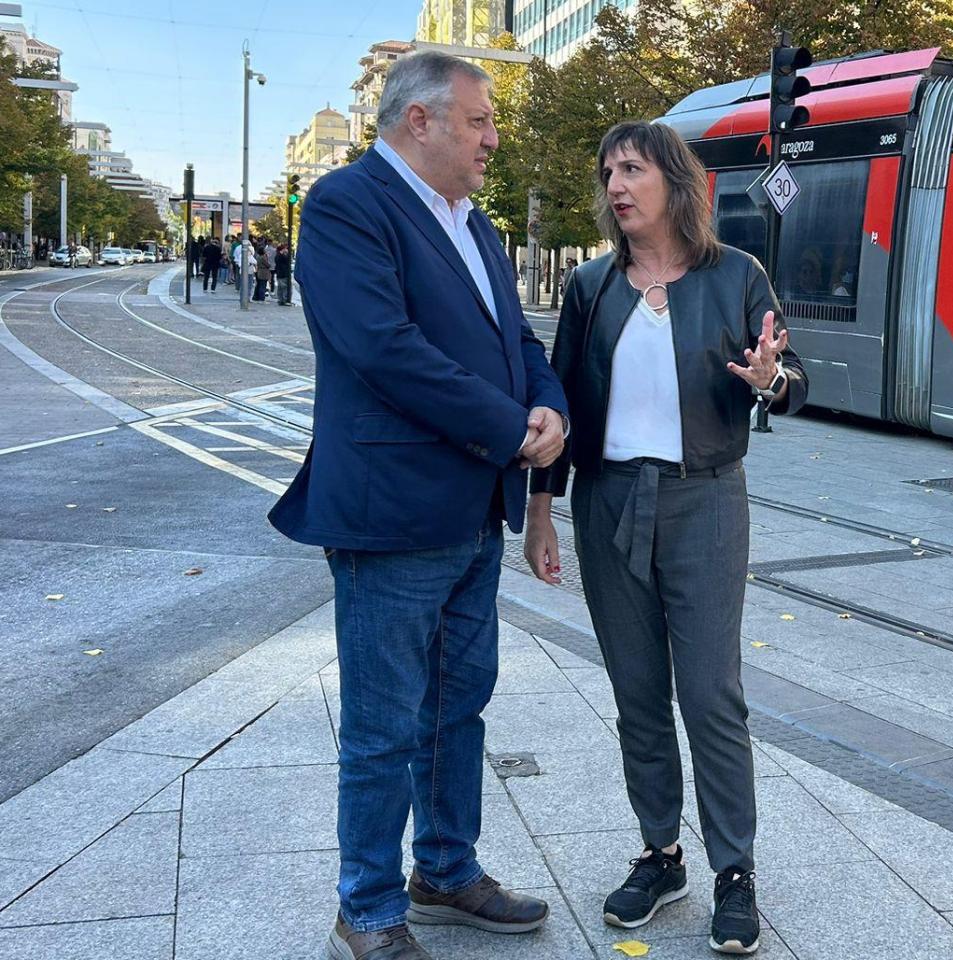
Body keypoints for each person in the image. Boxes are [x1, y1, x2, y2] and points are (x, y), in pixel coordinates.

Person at [267, 51, 567, 960]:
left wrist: (546, 404)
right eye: (478, 121)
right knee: (382, 724)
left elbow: (514, 337)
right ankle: (367, 908)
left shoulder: (476, 225)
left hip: (475, 510)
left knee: (457, 708)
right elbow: (384, 349)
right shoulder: (348, 205)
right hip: (392, 515)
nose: (493, 137)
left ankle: (444, 869)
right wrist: (511, 429)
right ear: (419, 121)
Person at [524, 120, 807, 957]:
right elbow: (562, 404)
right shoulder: (590, 287)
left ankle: (735, 869)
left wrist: (771, 382)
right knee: (638, 692)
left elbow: (791, 377)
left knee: (712, 693)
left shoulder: (737, 277)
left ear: (675, 183)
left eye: (633, 168)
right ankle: (662, 852)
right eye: (608, 170)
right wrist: (544, 508)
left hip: (706, 503)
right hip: (610, 503)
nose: (616, 184)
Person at [252, 237, 272, 302]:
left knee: (259, 284)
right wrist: (269, 265)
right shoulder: (263, 257)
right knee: (262, 285)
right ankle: (261, 297)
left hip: (259, 271)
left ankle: (256, 296)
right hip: (263, 272)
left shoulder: (258, 256)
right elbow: (267, 265)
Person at [275, 241, 293, 305]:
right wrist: (287, 254)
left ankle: (280, 300)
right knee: (286, 288)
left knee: (280, 288)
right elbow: (287, 261)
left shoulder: (277, 256)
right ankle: (285, 300)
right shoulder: (282, 256)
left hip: (279, 274)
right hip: (284, 274)